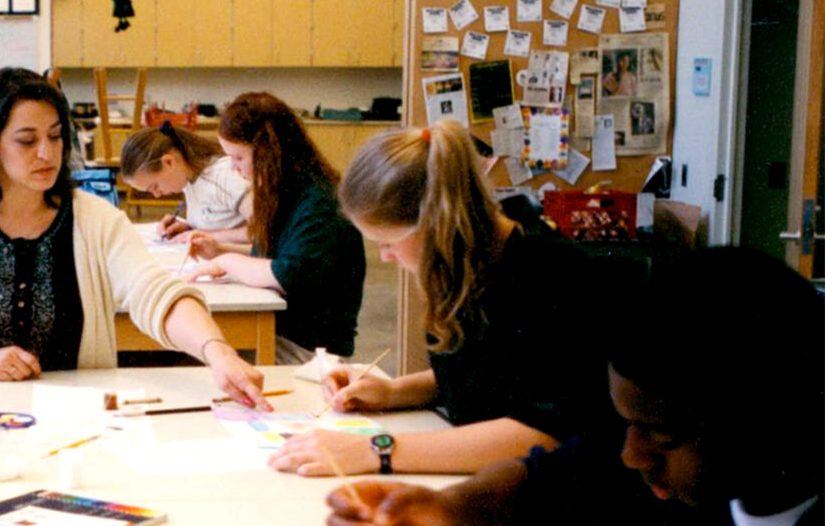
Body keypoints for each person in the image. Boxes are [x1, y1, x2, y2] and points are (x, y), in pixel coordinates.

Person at [325, 247, 822, 526]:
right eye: (627, 424)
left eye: (660, 435)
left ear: (760, 420)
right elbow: (548, 482)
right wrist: (449, 513)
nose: (632, 454)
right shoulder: (684, 478)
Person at [0, 68, 270, 408]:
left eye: (56, 136)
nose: (46, 153)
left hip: (73, 422)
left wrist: (216, 351)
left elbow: (157, 295)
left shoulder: (95, 221)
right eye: (27, 141)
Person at [269, 120, 616, 477]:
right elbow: (488, 373)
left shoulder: (550, 274)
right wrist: (394, 392)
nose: (386, 257)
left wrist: (377, 449)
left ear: (435, 222)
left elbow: (542, 432)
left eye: (387, 242)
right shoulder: (468, 261)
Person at [180, 92, 366, 364]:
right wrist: (221, 251)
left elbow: (288, 274)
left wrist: (228, 260)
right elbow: (278, 253)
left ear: (268, 151)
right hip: (288, 335)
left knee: (189, 354)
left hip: (310, 354)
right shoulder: (292, 190)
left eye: (239, 158)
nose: (234, 168)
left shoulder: (320, 203)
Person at [119, 120, 250, 243]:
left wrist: (209, 237)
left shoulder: (225, 176)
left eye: (154, 186)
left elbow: (265, 231)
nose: (157, 195)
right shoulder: (190, 180)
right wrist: (189, 227)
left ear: (169, 162)